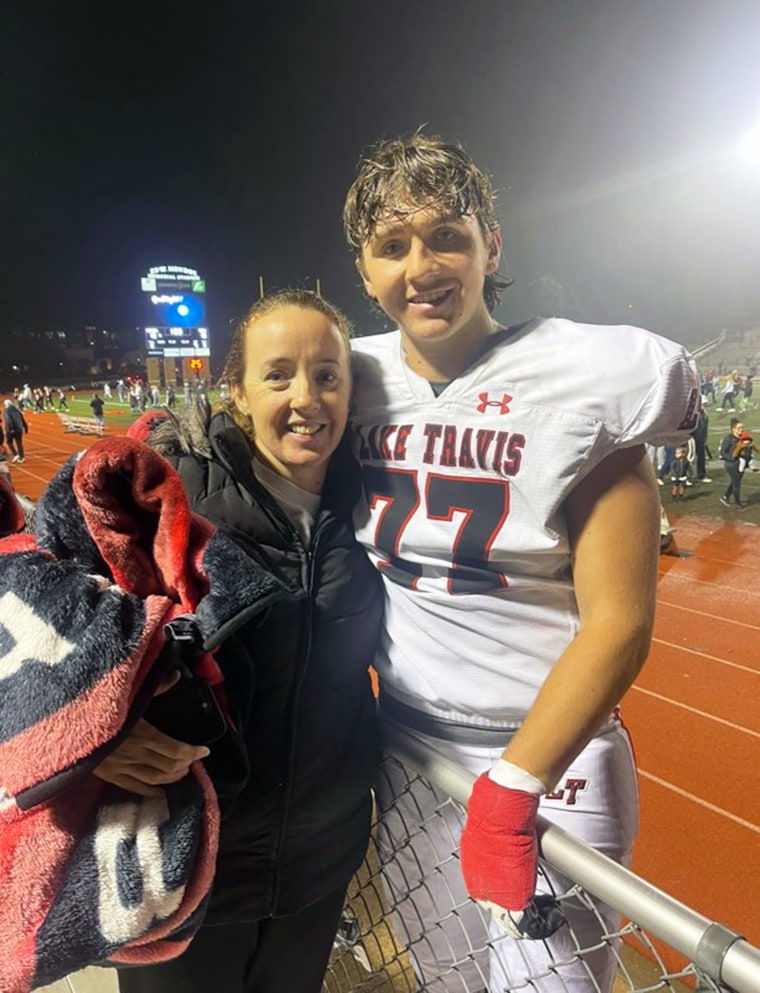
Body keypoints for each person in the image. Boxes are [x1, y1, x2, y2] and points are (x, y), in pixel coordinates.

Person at [342, 133, 699, 993]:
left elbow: (620, 621)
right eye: (393, 245)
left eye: (447, 235)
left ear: (491, 243)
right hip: (413, 753)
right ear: (363, 270)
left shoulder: (590, 374)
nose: (422, 266)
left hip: (551, 768)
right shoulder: (350, 374)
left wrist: (516, 780)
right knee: (442, 981)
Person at [99, 288, 383, 993]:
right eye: (278, 373)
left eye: (326, 374)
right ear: (236, 390)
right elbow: (39, 630)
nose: (306, 396)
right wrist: (101, 736)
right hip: (189, 875)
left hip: (315, 866)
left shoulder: (374, 498)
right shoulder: (168, 493)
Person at [719, 419, 748, 510]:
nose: (741, 430)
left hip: (741, 464)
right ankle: (738, 504)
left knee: (735, 482)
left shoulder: (743, 438)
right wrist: (731, 459)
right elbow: (723, 453)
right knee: (737, 483)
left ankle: (725, 497)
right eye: (739, 428)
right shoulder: (728, 439)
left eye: (742, 428)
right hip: (731, 464)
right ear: (733, 429)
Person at [3, 398, 28, 464]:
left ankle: (16, 454)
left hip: (11, 429)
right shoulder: (17, 410)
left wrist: (9, 429)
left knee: (9, 442)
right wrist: (26, 427)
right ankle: (22, 457)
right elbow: (22, 419)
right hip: (19, 429)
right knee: (19, 443)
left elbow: (8, 421)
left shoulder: (6, 411)